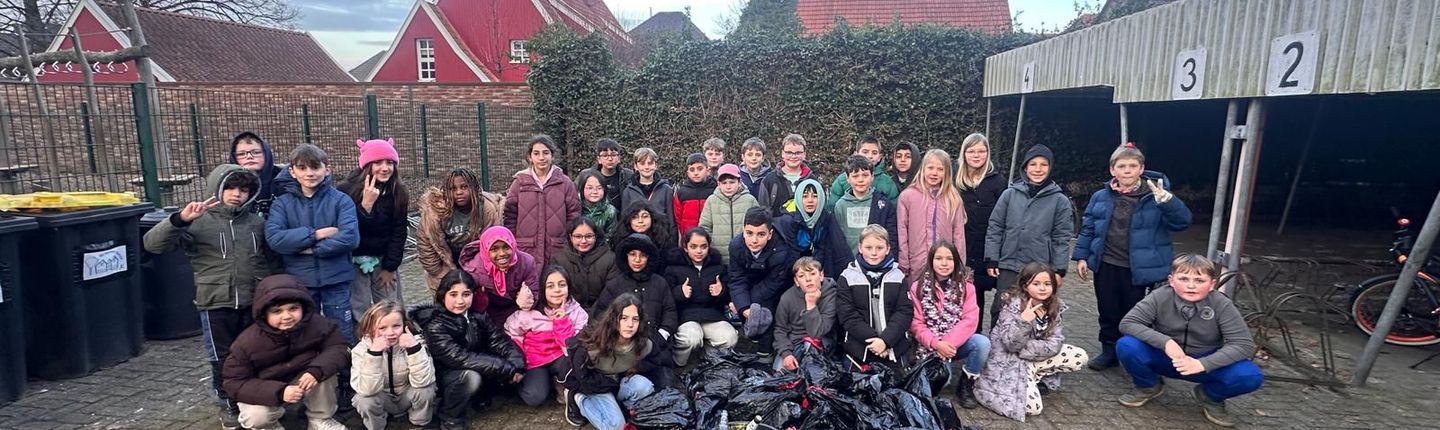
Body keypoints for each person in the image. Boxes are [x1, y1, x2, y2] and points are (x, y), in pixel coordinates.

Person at [143, 164, 275, 429]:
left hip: (253, 300)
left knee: (255, 353)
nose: (237, 194)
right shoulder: (198, 221)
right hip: (215, 300)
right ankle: (227, 403)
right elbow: (152, 244)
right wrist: (180, 220)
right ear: (218, 188)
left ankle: (256, 401)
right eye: (230, 188)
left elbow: (268, 260)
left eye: (243, 189)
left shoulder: (256, 223)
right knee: (222, 357)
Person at [1075, 143, 1193, 370]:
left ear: (1142, 169)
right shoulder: (1101, 196)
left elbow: (1182, 222)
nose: (1127, 170)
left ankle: (1133, 354)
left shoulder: (1156, 196)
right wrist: (1082, 256)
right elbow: (1089, 227)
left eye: (1132, 166)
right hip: (1107, 263)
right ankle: (1109, 350)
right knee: (1108, 310)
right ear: (1113, 170)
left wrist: (1169, 202)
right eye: (1122, 166)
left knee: (1137, 314)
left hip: (1140, 269)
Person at [1116, 254, 1261, 428]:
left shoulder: (1222, 304)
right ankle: (1148, 386)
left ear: (1212, 284)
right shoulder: (1159, 296)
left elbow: (1244, 345)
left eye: (1199, 280)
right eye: (1184, 278)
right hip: (1166, 358)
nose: (1191, 286)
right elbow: (1128, 323)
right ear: (1171, 280)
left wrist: (1204, 364)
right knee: (1127, 345)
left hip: (1204, 363)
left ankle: (1210, 396)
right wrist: (1166, 342)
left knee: (1250, 375)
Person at [222, 274, 349, 430]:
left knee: (326, 370)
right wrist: (279, 392)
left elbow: (339, 347)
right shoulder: (246, 342)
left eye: (293, 308)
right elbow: (234, 382)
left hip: (302, 377)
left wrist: (316, 370)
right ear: (264, 314)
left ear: (303, 307)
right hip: (266, 386)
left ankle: (319, 419)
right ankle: (269, 426)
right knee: (256, 417)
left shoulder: (318, 323)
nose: (287, 316)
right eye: (277, 311)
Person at [266, 144, 360, 343]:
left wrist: (309, 250)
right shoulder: (282, 204)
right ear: (292, 171)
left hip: (336, 279)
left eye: (315, 167)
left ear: (327, 169)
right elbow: (275, 239)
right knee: (304, 332)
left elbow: (350, 238)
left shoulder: (341, 201)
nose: (309, 173)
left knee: (341, 333)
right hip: (300, 281)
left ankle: (344, 373)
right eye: (302, 168)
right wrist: (316, 235)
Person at [410, 270, 526, 430]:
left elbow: (499, 341)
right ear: (443, 296)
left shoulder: (477, 316)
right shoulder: (435, 324)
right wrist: (505, 368)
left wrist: (517, 364)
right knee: (471, 377)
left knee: (499, 363)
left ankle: (481, 396)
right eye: (453, 294)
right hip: (446, 376)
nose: (460, 301)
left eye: (466, 294)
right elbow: (459, 357)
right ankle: (449, 416)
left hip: (474, 366)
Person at [974, 263, 1088, 422]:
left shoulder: (1055, 306)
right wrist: (1024, 322)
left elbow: (1055, 343)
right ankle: (1027, 379)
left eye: (1047, 284)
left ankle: (1034, 375)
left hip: (1030, 357)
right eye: (1036, 284)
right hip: (1010, 362)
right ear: (1025, 286)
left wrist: (1025, 349)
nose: (1042, 288)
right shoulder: (1012, 306)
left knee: (1079, 356)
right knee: (1033, 408)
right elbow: (1010, 345)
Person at [985, 144, 1074, 328]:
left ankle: (1032, 351)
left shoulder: (1060, 201)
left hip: (1039, 267)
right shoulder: (1009, 195)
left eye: (1043, 164)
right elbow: (995, 226)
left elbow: (1061, 237)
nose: (1038, 169)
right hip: (1008, 263)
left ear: (1050, 168)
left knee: (1035, 309)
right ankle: (997, 350)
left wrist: (1059, 269)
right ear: (1025, 167)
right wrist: (992, 258)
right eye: (1033, 164)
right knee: (1002, 308)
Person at [560, 294, 666, 429]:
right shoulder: (592, 344)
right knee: (616, 426)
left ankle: (619, 407)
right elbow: (581, 377)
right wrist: (608, 385)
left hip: (617, 381)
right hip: (593, 386)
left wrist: (635, 368)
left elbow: (656, 360)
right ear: (614, 319)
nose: (630, 325)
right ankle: (579, 400)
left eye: (635, 319)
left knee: (645, 387)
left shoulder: (643, 342)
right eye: (624, 318)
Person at [909, 241, 990, 409]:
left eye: (949, 258)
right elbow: (916, 324)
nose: (944, 263)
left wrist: (949, 343)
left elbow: (970, 320)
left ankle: (966, 384)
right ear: (931, 261)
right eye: (938, 258)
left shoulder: (967, 288)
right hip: (930, 346)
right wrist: (936, 344)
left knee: (982, 343)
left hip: (955, 344)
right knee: (942, 380)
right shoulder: (917, 287)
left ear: (956, 262)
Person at [591, 233, 679, 386]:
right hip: (622, 349)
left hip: (655, 348)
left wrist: (661, 336)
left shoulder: (660, 283)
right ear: (626, 256)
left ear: (649, 258)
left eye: (642, 255)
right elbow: (600, 314)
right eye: (632, 254)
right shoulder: (615, 284)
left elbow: (670, 312)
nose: (637, 260)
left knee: (666, 385)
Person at [338, 138, 411, 319]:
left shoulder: (398, 191)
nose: (385, 168)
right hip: (354, 259)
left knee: (391, 302)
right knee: (359, 305)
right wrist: (365, 206)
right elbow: (345, 229)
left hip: (383, 257)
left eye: (390, 163)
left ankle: (396, 338)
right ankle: (364, 341)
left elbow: (399, 231)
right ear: (367, 165)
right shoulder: (346, 190)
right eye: (378, 162)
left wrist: (390, 267)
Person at [505, 265, 589, 407]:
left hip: (562, 358)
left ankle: (560, 381)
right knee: (534, 397)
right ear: (543, 289)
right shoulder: (530, 313)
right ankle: (532, 382)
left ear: (569, 287)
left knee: (575, 364)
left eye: (562, 285)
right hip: (535, 361)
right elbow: (510, 331)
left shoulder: (578, 313)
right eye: (550, 286)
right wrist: (519, 360)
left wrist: (562, 322)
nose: (557, 290)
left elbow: (572, 347)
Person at [351, 300, 436, 430]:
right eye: (382, 328)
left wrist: (414, 349)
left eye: (396, 326)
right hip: (382, 398)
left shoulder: (418, 343)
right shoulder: (360, 350)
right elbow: (366, 390)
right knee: (364, 400)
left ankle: (420, 421)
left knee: (427, 390)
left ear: (405, 326)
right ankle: (377, 424)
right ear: (370, 328)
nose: (390, 333)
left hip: (407, 395)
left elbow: (423, 381)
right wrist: (374, 354)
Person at [728, 207, 798, 360]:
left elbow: (774, 283)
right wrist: (744, 307)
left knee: (766, 311)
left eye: (761, 234)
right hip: (750, 283)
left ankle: (766, 352)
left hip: (777, 288)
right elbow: (736, 279)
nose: (754, 240)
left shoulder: (781, 250)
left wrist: (750, 306)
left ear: (770, 234)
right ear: (743, 231)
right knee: (744, 304)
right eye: (749, 233)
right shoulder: (736, 245)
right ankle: (752, 337)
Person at [416, 168, 502, 291]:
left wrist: (479, 271)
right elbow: (425, 245)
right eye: (453, 189)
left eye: (464, 187)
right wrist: (440, 273)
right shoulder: (435, 213)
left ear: (474, 188)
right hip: (445, 264)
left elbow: (493, 242)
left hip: (476, 262)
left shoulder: (486, 209)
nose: (459, 192)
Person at [836, 225, 911, 367]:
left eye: (879, 248)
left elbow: (904, 312)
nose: (874, 253)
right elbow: (848, 315)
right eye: (868, 248)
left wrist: (885, 341)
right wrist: (874, 341)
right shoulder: (847, 276)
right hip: (859, 350)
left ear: (888, 248)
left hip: (893, 348)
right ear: (860, 248)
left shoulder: (898, 276)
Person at [664, 228, 738, 367]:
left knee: (730, 337)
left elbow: (728, 297)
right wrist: (679, 292)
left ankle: (709, 359)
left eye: (703, 247)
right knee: (691, 338)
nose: (699, 251)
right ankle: (679, 364)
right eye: (693, 246)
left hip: (712, 316)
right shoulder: (673, 268)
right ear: (685, 248)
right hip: (685, 316)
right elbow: (666, 298)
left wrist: (721, 291)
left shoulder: (718, 267)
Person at [506, 134, 581, 267]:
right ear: (530, 157)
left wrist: (569, 244)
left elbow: (573, 215)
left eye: (546, 153)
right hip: (526, 250)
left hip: (557, 250)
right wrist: (512, 244)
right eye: (536, 153)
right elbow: (510, 216)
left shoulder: (565, 183)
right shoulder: (519, 183)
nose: (541, 157)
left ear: (552, 156)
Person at [957, 134, 1007, 328]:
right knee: (972, 301)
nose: (976, 155)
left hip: (992, 250)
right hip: (967, 250)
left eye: (981, 151)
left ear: (987, 154)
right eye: (971, 151)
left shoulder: (998, 182)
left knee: (1002, 302)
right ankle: (974, 339)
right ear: (964, 154)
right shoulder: (957, 182)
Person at [898, 149, 967, 276]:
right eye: (930, 168)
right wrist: (904, 261)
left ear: (947, 173)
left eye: (940, 169)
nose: (934, 173)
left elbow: (959, 234)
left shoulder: (953, 198)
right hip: (917, 263)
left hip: (944, 266)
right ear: (923, 169)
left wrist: (959, 263)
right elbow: (902, 231)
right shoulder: (907, 196)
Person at [459, 226, 541, 326]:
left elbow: (534, 293)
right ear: (485, 250)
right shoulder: (474, 269)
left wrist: (527, 301)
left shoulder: (526, 262)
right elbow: (463, 302)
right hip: (487, 312)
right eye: (494, 249)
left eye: (506, 247)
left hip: (516, 308)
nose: (501, 253)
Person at [773, 178, 852, 278]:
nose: (810, 200)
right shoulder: (787, 221)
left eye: (815, 196)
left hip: (818, 271)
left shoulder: (826, 218)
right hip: (792, 274)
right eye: (805, 196)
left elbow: (828, 249)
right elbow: (791, 255)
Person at [772, 257, 838, 372]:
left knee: (812, 372)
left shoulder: (831, 295)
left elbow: (817, 333)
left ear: (821, 275)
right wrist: (786, 353)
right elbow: (780, 329)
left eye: (812, 274)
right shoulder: (787, 298)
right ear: (796, 281)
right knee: (779, 375)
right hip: (794, 342)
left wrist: (811, 304)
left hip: (822, 340)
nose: (808, 279)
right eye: (802, 276)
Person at [832, 155, 899, 253]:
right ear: (847, 178)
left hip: (876, 260)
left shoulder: (883, 205)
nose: (860, 180)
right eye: (855, 176)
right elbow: (836, 239)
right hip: (849, 262)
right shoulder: (840, 205)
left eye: (865, 175)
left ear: (872, 177)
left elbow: (892, 237)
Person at [551, 217, 618, 309]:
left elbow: (611, 292)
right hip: (567, 311)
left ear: (596, 236)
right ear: (570, 237)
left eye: (589, 236)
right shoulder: (559, 259)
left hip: (601, 313)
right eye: (578, 236)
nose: (583, 241)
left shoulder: (610, 259)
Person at [698, 163, 759, 263]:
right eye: (724, 183)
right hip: (718, 257)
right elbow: (705, 227)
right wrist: (710, 249)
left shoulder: (750, 200)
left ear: (739, 182)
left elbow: (758, 225)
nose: (728, 186)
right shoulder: (711, 201)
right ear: (718, 184)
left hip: (745, 256)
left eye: (732, 182)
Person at [620, 147, 677, 245]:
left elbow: (671, 221)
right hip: (636, 240)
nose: (646, 167)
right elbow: (624, 221)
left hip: (661, 240)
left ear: (656, 165)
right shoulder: (628, 191)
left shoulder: (666, 189)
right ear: (635, 166)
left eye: (650, 163)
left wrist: (672, 245)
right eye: (642, 163)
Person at [829, 136, 899, 207]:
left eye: (874, 153)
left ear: (879, 157)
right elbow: (833, 208)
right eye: (865, 152)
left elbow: (893, 209)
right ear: (856, 154)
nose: (870, 156)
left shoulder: (887, 183)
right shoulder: (842, 180)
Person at [756, 133, 816, 216]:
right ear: (782, 154)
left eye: (798, 153)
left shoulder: (812, 180)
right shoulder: (769, 181)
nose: (793, 156)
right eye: (789, 152)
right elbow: (763, 212)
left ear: (804, 154)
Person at [228, 131, 280, 216]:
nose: (249, 157)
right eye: (241, 154)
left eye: (256, 152)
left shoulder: (283, 179)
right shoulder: (227, 182)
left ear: (266, 153)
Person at [577, 138, 634, 211]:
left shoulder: (628, 175)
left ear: (619, 158)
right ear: (599, 159)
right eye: (605, 155)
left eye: (613, 155)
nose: (610, 159)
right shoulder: (585, 175)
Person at [610, 200, 675, 256]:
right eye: (634, 217)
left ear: (652, 218)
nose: (640, 221)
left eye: (645, 216)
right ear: (628, 220)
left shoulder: (662, 239)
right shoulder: (620, 240)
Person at [673, 153, 716, 236]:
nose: (696, 173)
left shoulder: (715, 190)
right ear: (688, 173)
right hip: (689, 236)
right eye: (692, 170)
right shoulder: (682, 192)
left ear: (708, 171)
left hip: (711, 236)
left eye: (700, 169)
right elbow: (677, 217)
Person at [576, 170, 618, 237]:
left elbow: (610, 235)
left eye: (599, 188)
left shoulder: (610, 211)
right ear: (582, 189)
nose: (595, 192)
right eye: (590, 188)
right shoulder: (574, 206)